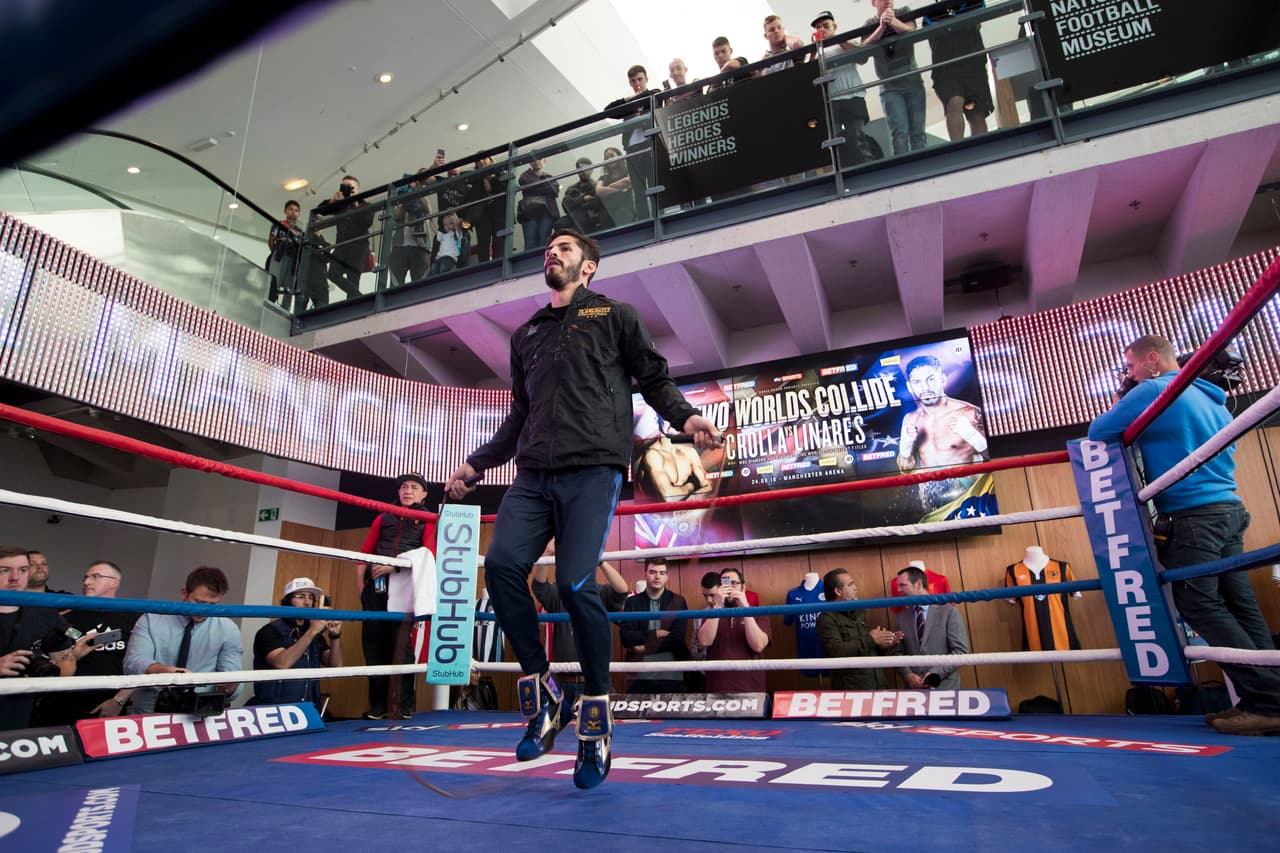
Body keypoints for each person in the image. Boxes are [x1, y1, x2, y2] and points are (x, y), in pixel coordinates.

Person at [445, 227, 719, 789]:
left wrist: (687, 418)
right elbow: (518, 416)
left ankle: (595, 719)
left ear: (589, 266)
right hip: (531, 475)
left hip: (593, 470)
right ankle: (545, 693)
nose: (553, 253)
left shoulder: (615, 315)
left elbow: (653, 378)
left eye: (565, 248)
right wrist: (474, 465)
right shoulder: (526, 335)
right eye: (549, 248)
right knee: (499, 568)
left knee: (575, 583)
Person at [1089, 334, 1280, 735]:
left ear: (1152, 360)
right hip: (1227, 508)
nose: (1129, 374)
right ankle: (1267, 697)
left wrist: (1132, 396)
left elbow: (1099, 431)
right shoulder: (1211, 396)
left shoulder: (1155, 389)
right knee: (1239, 603)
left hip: (1193, 514)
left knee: (1198, 603)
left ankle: (1267, 701)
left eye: (1130, 366)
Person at [356, 472, 435, 721]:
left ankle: (402, 705)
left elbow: (429, 554)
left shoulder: (428, 519)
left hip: (403, 586)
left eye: (414, 487)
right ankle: (378, 706)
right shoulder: (383, 516)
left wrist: (395, 566)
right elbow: (364, 554)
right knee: (374, 645)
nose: (407, 490)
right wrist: (362, 589)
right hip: (375, 588)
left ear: (423, 494)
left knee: (401, 645)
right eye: (403, 486)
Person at [0, 546, 96, 730]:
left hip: (19, 712)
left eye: (22, 570)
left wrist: (53, 668)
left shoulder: (45, 613)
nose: (15, 578)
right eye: (4, 570)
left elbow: (66, 669)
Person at [123, 566, 242, 714]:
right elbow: (133, 662)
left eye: (212, 605)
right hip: (150, 712)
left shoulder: (228, 629)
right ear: (184, 593)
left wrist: (229, 685)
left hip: (200, 713)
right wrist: (165, 672)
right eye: (199, 602)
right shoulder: (151, 619)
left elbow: (231, 676)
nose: (204, 610)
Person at [32, 560, 137, 725]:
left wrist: (119, 701)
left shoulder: (134, 619)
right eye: (86, 577)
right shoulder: (65, 619)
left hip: (108, 705)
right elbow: (49, 663)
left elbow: (140, 665)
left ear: (114, 583)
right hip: (64, 705)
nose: (87, 582)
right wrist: (73, 655)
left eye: (95, 577)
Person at [530, 543, 628, 708]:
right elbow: (539, 586)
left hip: (594, 681)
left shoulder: (601, 593)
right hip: (563, 681)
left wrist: (601, 560)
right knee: (558, 729)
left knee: (596, 730)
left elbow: (622, 590)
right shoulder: (559, 594)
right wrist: (547, 553)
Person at [252, 577, 343, 710]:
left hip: (309, 708)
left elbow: (335, 664)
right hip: (275, 709)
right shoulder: (270, 631)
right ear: (288, 601)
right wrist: (312, 631)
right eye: (300, 597)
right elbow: (282, 663)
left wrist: (335, 636)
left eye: (311, 598)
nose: (307, 602)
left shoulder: (313, 631)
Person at [811, 11, 877, 167]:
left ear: (835, 26)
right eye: (818, 28)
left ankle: (863, 165)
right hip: (831, 99)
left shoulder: (847, 41)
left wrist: (837, 40)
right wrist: (814, 49)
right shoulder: (817, 51)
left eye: (825, 26)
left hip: (853, 95)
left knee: (856, 135)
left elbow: (861, 58)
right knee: (832, 137)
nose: (822, 30)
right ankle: (841, 169)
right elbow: (809, 71)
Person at [862, 1, 928, 155]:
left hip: (913, 83)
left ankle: (924, 168)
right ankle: (905, 172)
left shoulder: (904, 11)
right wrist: (881, 27)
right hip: (889, 88)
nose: (888, 1)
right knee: (899, 134)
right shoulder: (869, 23)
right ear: (874, 2)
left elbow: (913, 32)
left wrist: (893, 22)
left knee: (918, 133)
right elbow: (862, 50)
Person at [816, 569, 899, 689]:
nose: (855, 588)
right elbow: (836, 652)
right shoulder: (826, 619)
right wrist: (871, 639)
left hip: (877, 684)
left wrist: (883, 644)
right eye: (850, 585)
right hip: (852, 690)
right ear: (838, 591)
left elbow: (866, 649)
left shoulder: (859, 612)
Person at [923, 0, 992, 141]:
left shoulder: (975, 2)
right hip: (946, 69)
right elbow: (931, 30)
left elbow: (978, 19)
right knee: (955, 102)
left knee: (976, 113)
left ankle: (982, 152)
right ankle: (958, 148)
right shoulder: (931, 13)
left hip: (973, 65)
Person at [892, 565, 970, 689]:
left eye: (902, 585)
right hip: (914, 692)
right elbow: (898, 652)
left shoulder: (948, 611)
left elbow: (961, 651)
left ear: (918, 584)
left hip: (944, 687)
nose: (899, 590)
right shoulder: (901, 617)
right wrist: (908, 675)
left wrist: (936, 673)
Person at [696, 568, 772, 693]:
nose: (730, 588)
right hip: (716, 690)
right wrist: (718, 606)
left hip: (751, 689)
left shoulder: (759, 612)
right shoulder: (712, 613)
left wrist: (745, 608)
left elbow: (758, 645)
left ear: (743, 587)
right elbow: (704, 641)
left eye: (734, 583)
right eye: (725, 583)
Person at [619, 563, 689, 694]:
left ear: (667, 576)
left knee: (670, 713)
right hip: (639, 674)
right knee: (639, 714)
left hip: (671, 673)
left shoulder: (678, 601)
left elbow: (677, 639)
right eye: (652, 572)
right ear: (645, 574)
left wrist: (645, 647)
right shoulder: (632, 602)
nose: (657, 577)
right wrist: (656, 633)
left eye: (662, 573)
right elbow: (626, 637)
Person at [604, 65, 659, 221]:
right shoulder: (628, 104)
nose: (637, 83)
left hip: (650, 145)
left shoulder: (652, 94)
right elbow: (608, 110)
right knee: (638, 189)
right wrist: (627, 100)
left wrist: (637, 98)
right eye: (633, 81)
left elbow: (655, 94)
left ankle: (658, 218)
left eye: (640, 79)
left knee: (654, 184)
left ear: (646, 79)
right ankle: (644, 221)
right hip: (632, 149)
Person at [317, 174, 375, 300]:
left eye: (351, 187)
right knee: (332, 274)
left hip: (358, 247)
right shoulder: (340, 204)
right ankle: (360, 298)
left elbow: (367, 222)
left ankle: (352, 304)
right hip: (341, 246)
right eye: (345, 186)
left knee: (353, 278)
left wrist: (355, 204)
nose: (349, 189)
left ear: (358, 189)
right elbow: (319, 211)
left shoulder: (366, 205)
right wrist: (332, 201)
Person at [390, 170, 432, 286]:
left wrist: (415, 192)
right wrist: (406, 198)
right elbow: (397, 216)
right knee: (395, 284)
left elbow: (428, 211)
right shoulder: (399, 198)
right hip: (400, 245)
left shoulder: (422, 195)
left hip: (420, 246)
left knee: (420, 284)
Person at [517, 158, 560, 253]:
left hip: (547, 212)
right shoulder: (524, 176)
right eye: (533, 160)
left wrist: (535, 188)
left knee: (544, 242)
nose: (536, 162)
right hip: (529, 212)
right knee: (530, 244)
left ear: (545, 161)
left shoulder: (550, 177)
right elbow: (526, 183)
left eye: (539, 159)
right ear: (530, 163)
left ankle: (544, 265)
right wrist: (545, 188)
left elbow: (554, 191)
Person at [561, 158, 614, 235]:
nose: (583, 172)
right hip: (576, 218)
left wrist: (576, 203)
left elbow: (596, 204)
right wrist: (583, 199)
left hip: (591, 218)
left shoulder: (596, 186)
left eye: (586, 169)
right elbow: (566, 205)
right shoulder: (571, 188)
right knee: (560, 223)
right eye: (580, 169)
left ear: (591, 170)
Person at [267, 199, 304, 309]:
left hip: (293, 259)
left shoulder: (300, 231)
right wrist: (276, 252)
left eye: (296, 210)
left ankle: (285, 309)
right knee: (274, 281)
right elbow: (270, 241)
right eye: (291, 209)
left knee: (290, 285)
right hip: (279, 256)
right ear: (285, 211)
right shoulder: (278, 224)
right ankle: (270, 304)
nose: (293, 212)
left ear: (299, 213)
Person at [595, 147, 634, 226]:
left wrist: (608, 187)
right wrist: (620, 188)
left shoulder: (628, 171)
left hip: (626, 208)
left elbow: (628, 181)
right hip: (609, 211)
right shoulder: (603, 178)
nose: (609, 159)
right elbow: (599, 191)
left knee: (623, 213)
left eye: (612, 156)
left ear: (619, 156)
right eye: (606, 158)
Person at [430, 211, 469, 275]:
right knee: (433, 270)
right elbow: (435, 230)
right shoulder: (443, 235)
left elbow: (457, 223)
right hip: (439, 257)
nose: (447, 226)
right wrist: (430, 219)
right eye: (445, 224)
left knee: (444, 269)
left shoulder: (457, 233)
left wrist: (453, 213)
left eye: (450, 223)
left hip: (449, 257)